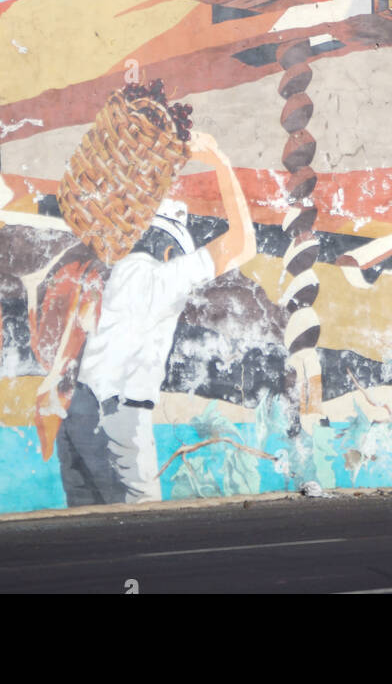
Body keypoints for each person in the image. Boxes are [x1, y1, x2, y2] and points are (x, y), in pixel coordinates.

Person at [54, 131, 255, 506]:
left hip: (78, 414)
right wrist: (221, 164)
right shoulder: (163, 278)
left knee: (86, 530)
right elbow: (244, 243)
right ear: (168, 248)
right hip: (119, 419)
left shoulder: (111, 273)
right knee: (143, 524)